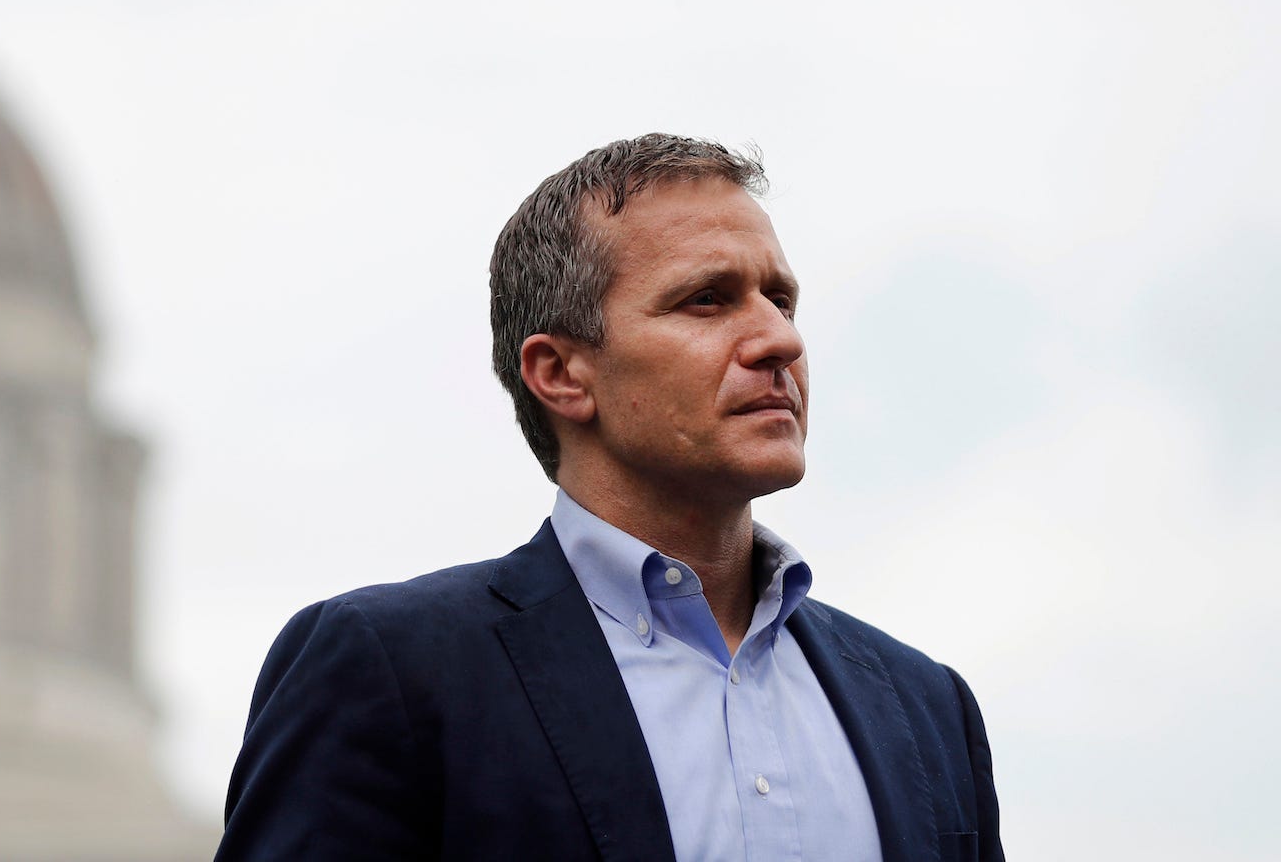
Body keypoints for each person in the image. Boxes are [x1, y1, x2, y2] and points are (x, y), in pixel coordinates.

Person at [215, 134, 1002, 861]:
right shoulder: (389, 668)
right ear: (560, 373)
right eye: (707, 299)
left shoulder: (929, 707)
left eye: (781, 300)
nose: (781, 341)